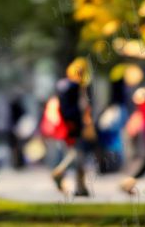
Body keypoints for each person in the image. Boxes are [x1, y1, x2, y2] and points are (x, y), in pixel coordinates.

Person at [51, 58, 94, 196]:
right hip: (75, 125)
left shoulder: (62, 85)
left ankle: (81, 188)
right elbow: (79, 108)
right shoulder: (76, 87)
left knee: (76, 155)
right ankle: (60, 172)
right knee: (77, 155)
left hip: (66, 125)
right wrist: (83, 123)